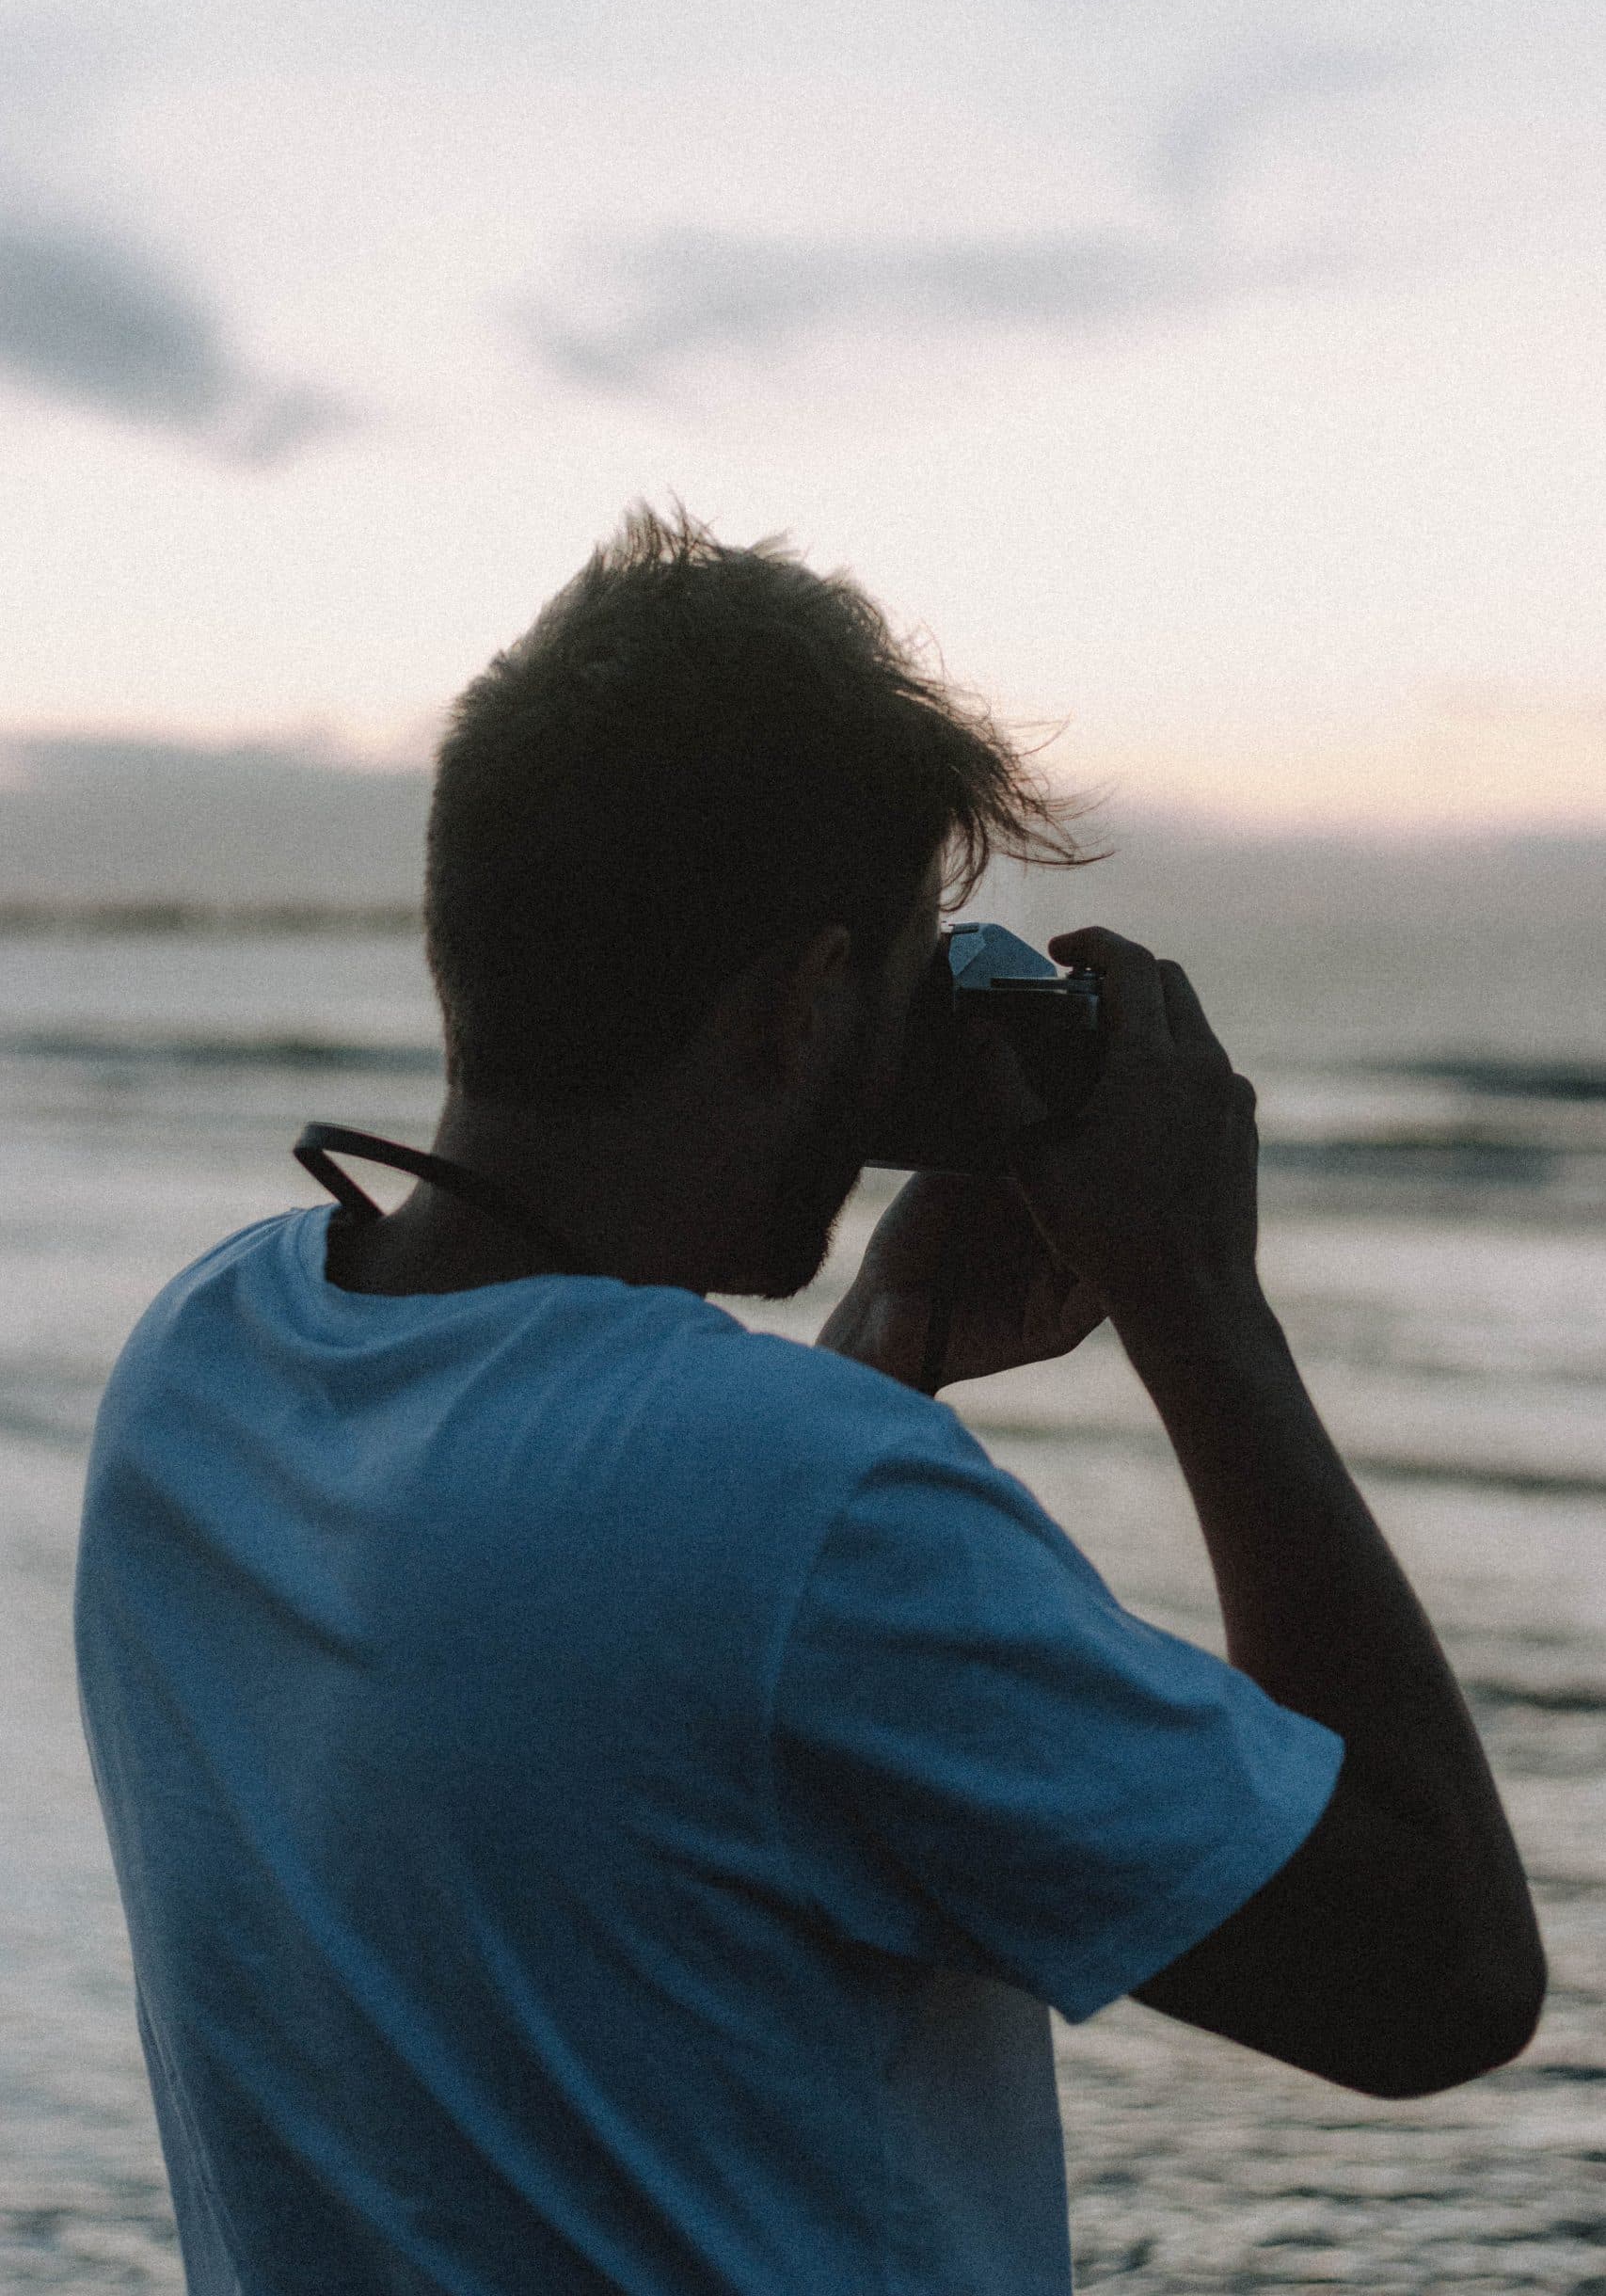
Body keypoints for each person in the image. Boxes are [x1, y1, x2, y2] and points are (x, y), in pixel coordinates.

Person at [76, 508, 1544, 2296]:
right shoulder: (804, 1514)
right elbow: (1439, 1979)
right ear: (801, 1003)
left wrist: (891, 1329)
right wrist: (1199, 1307)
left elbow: (609, 1658)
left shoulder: (200, 1371)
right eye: (900, 975)